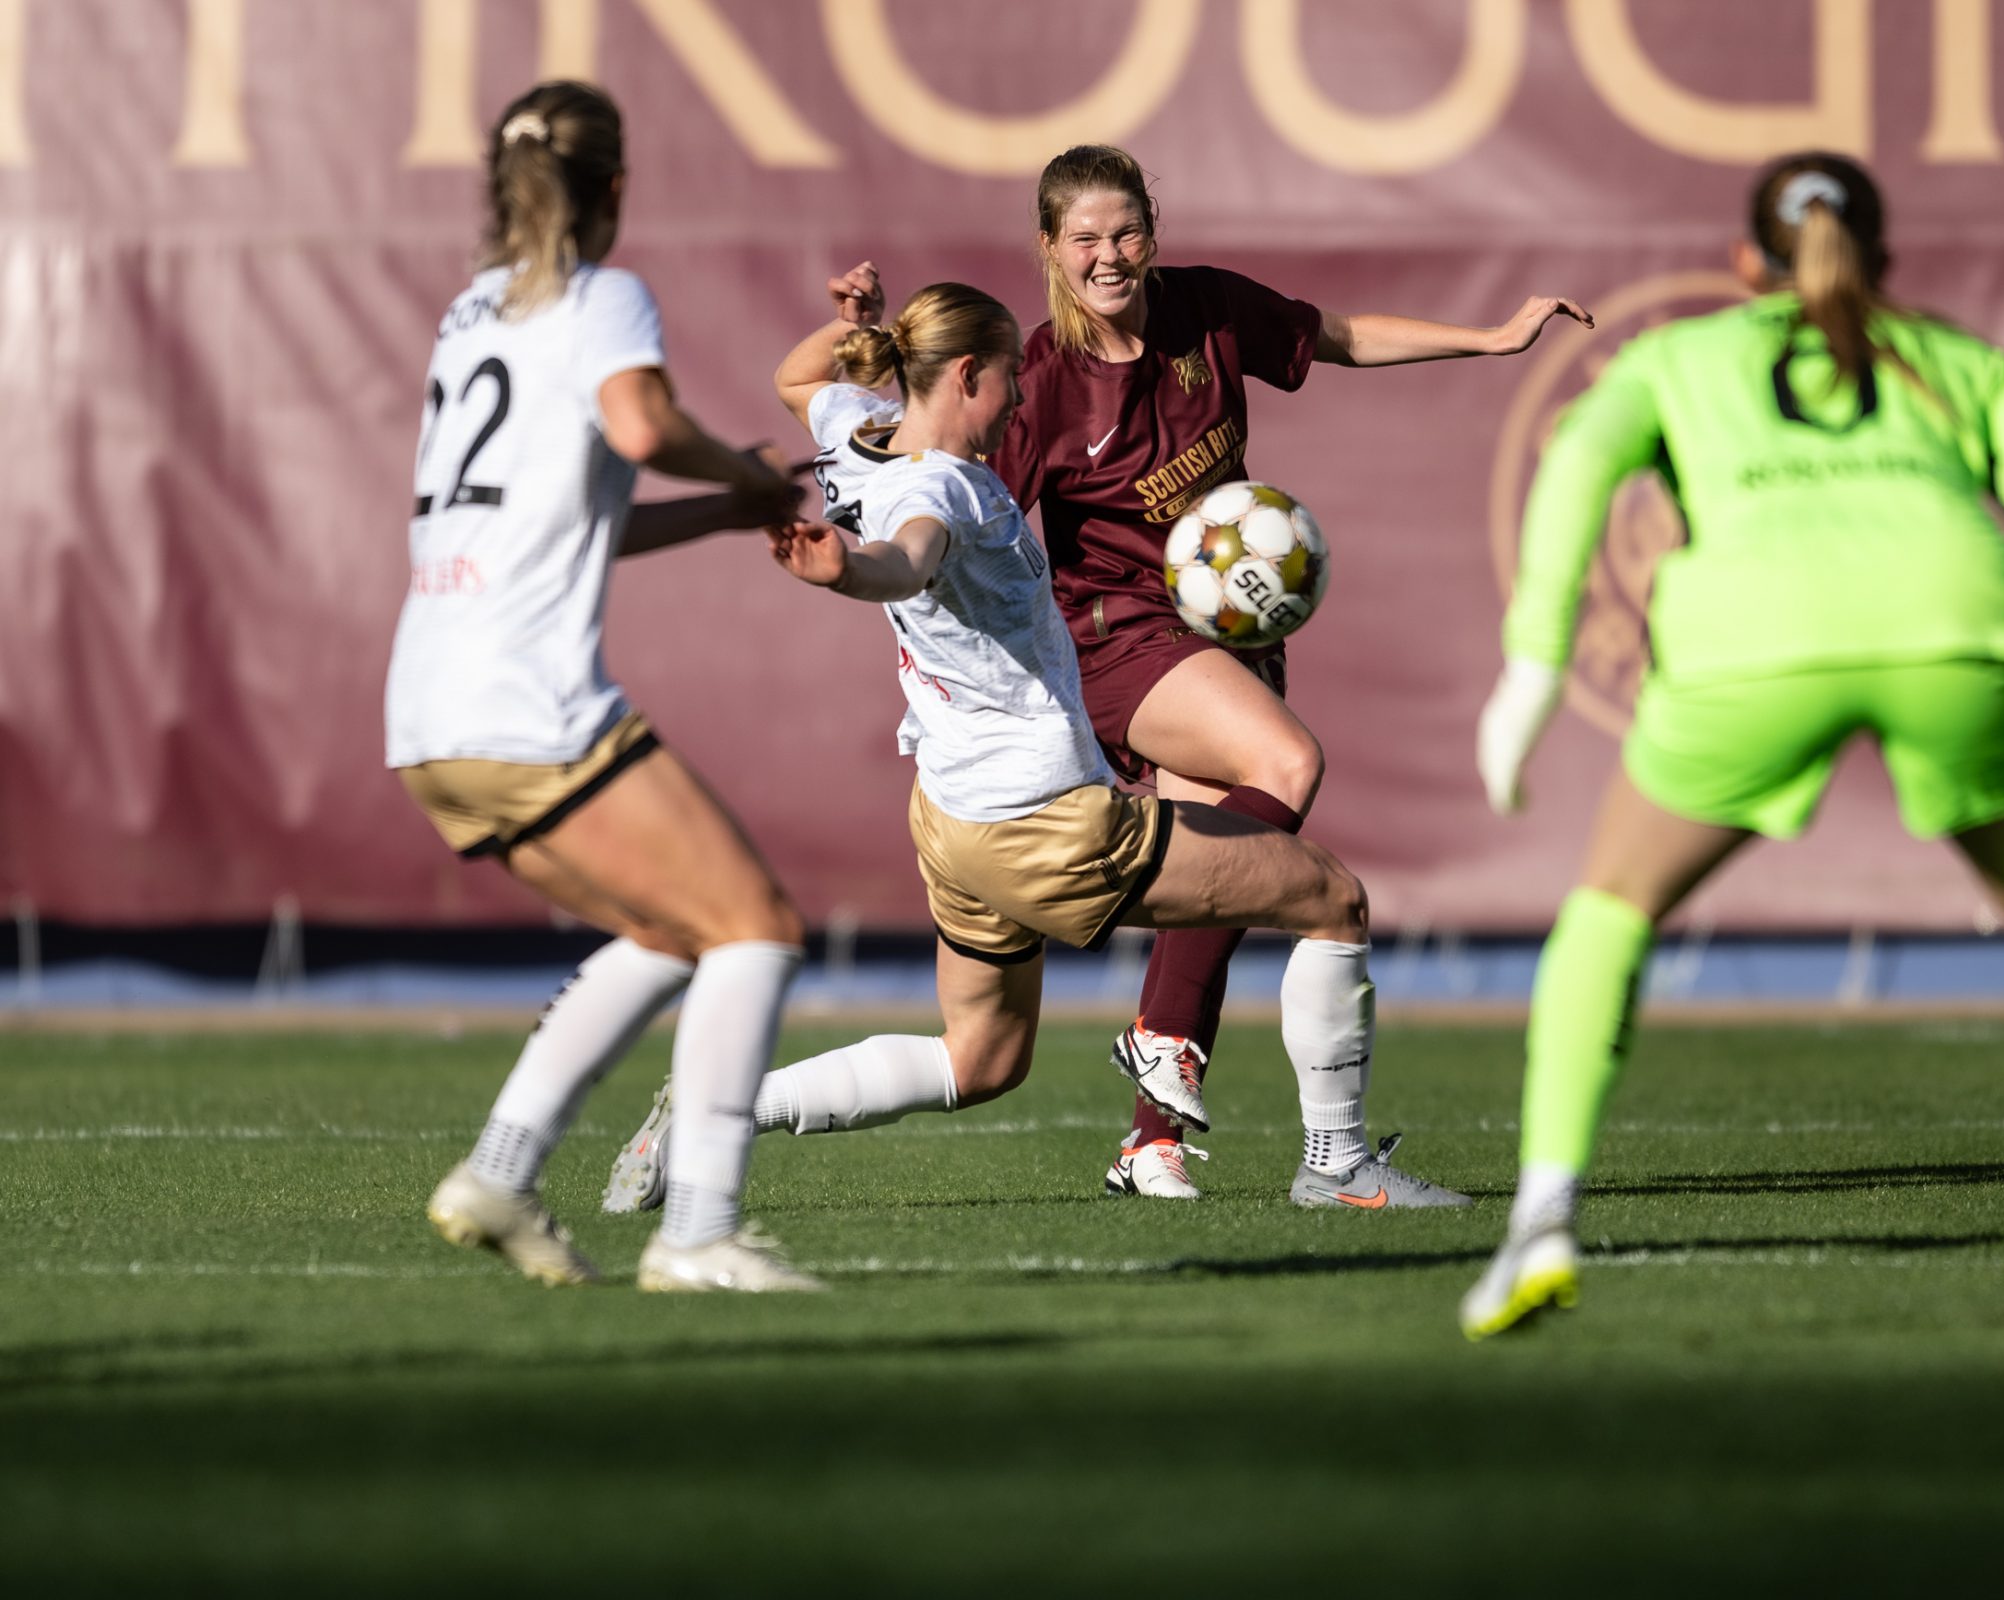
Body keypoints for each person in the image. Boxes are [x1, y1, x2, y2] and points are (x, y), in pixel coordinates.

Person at [1460, 153, 2004, 1339]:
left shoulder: (1676, 357)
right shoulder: (1958, 358)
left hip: (1750, 643)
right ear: (1883, 259)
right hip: (1963, 630)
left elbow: (1575, 462)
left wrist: (1531, 668)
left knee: (1612, 905)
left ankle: (1540, 1220)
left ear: (1743, 265)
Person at [600, 283, 1470, 1215]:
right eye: (1012, 376)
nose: (1022, 397)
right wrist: (848, 570)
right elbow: (910, 555)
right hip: (1048, 823)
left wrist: (854, 333)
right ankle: (1335, 1166)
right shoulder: (946, 486)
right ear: (969, 374)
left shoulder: (855, 435)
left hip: (953, 819)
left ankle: (711, 1107)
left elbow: (799, 375)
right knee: (1332, 899)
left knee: (981, 1061)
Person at [994, 145, 1590, 1199]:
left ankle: (1154, 1145)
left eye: (1125, 231)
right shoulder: (1041, 380)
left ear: (1154, 231)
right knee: (1287, 762)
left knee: (1217, 887)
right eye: (1083, 238)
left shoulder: (1210, 312)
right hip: (1121, 642)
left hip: (1226, 641)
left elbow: (1340, 336)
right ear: (1047, 249)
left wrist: (1491, 338)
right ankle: (1161, 1025)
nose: (1108, 255)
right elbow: (962, 503)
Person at [390, 81, 822, 1293]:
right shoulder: (600, 299)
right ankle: (696, 1231)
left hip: (428, 713)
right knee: (757, 927)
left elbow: (590, 524)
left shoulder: (469, 314)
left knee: (667, 928)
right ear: (617, 189)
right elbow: (638, 425)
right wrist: (737, 461)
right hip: (526, 705)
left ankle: (502, 1171)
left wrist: (726, 510)